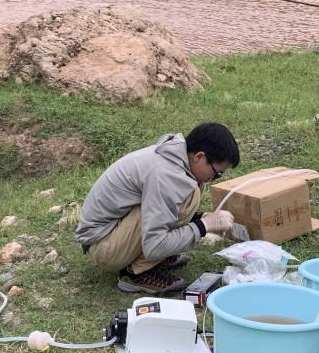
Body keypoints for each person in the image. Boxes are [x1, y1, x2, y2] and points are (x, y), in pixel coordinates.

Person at [75, 123, 239, 295]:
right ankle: (135, 274)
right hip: (102, 246)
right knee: (188, 195)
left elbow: (165, 209)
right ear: (199, 156)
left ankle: (149, 260)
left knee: (193, 190)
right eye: (217, 173)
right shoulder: (166, 176)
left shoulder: (175, 158)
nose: (214, 178)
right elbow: (154, 245)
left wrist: (202, 217)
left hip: (110, 231)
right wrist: (203, 226)